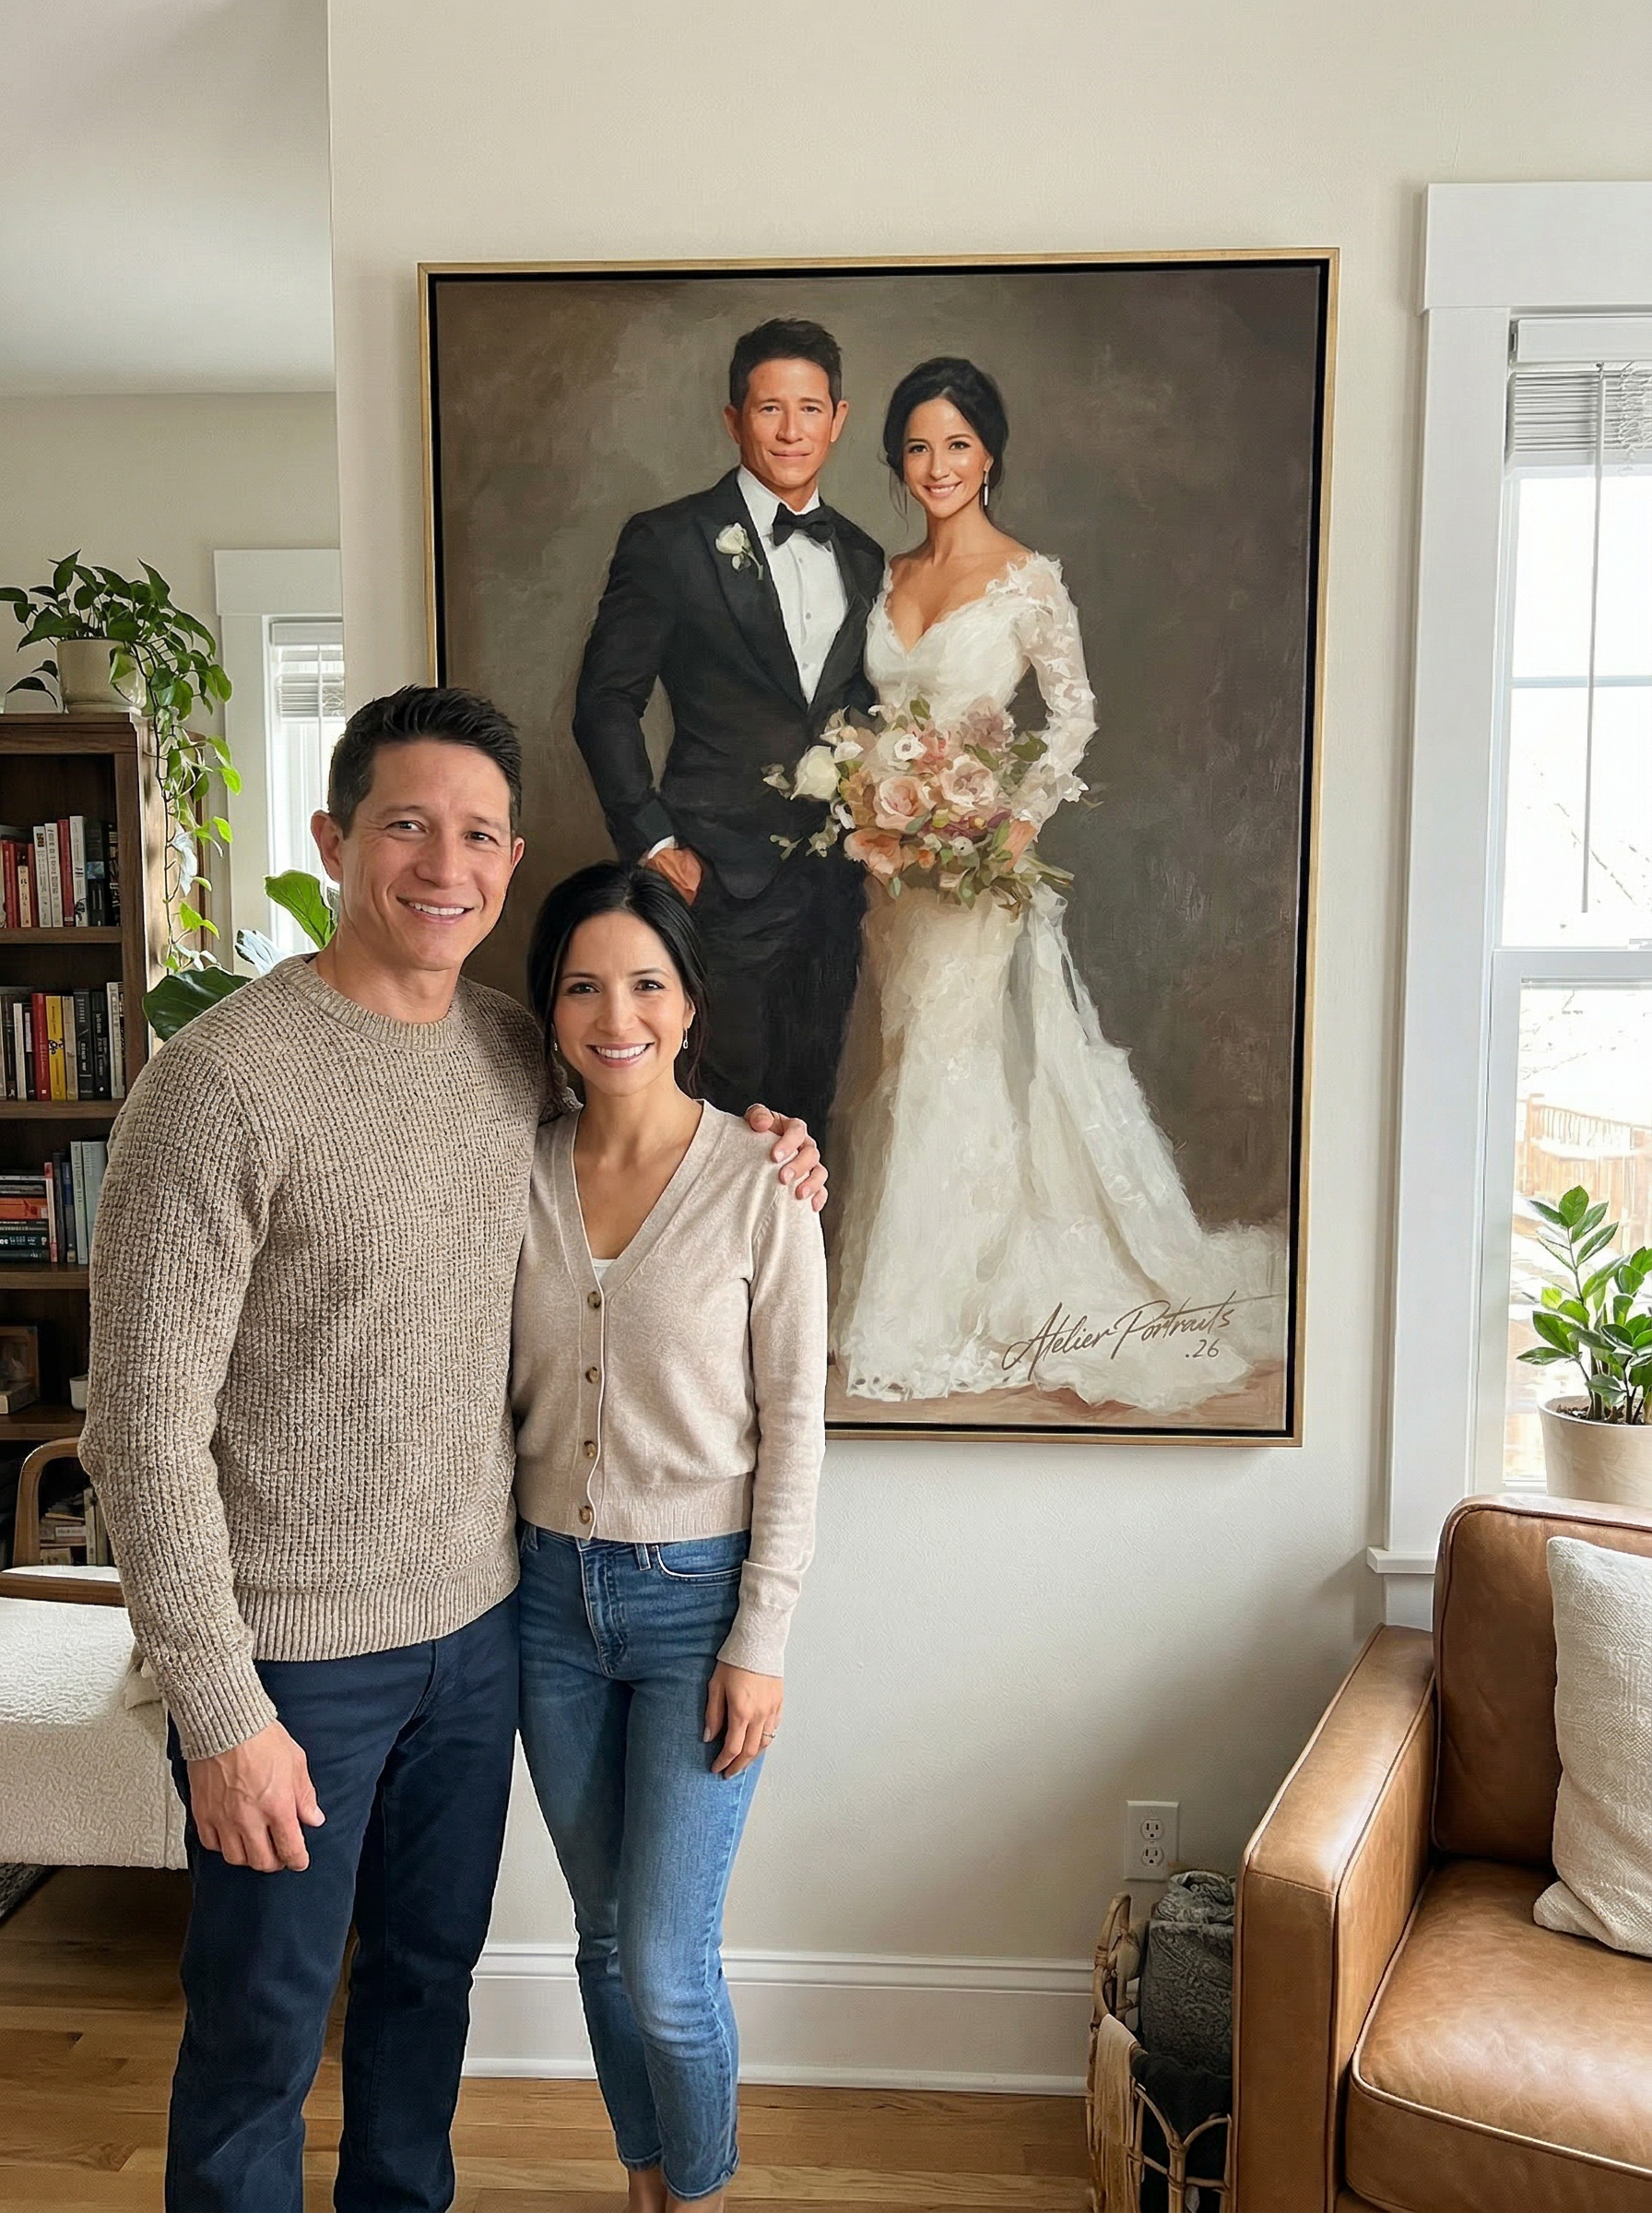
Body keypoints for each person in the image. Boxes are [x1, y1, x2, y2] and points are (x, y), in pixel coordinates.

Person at [79, 685, 826, 2213]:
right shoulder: (217, 1085)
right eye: (408, 824)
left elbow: (650, 1130)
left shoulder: (514, 1055)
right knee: (260, 2037)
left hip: (485, 1634)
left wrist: (780, 1143)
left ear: (512, 857)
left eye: (479, 832)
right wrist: (220, 1709)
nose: (446, 862)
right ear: (334, 839)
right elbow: (138, 1427)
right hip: (294, 1664)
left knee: (427, 2005)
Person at [828, 360, 1283, 1412]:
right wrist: (871, 799)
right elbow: (865, 719)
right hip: (891, 865)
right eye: (915, 446)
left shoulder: (1028, 577)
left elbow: (1072, 711)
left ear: (988, 453)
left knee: (948, 1059)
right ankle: (906, 1287)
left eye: (955, 444)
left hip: (977, 866)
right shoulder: (883, 575)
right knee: (903, 1057)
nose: (935, 465)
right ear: (895, 460)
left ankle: (936, 1308)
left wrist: (1011, 820)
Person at [511, 861, 825, 2213]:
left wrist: (762, 1638)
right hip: (537, 1603)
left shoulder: (763, 1182)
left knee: (665, 1961)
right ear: (550, 1009)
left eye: (646, 982)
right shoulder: (511, 1170)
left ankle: (694, 2196)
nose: (614, 1011)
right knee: (595, 1936)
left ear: (690, 1005)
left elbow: (799, 1424)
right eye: (583, 984)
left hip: (696, 1607)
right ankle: (644, 2182)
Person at [573, 316, 885, 1142]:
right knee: (715, 1112)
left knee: (808, 1109)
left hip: (833, 885)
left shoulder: (862, 555)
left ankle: (793, 1273)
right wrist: (652, 844)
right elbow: (605, 702)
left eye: (810, 409)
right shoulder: (669, 541)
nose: (791, 430)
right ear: (733, 419)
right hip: (711, 879)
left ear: (839, 419)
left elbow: (867, 712)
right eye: (769, 409)